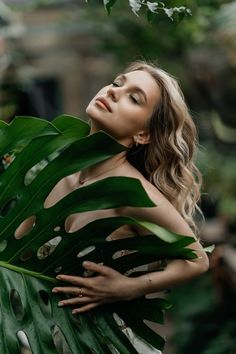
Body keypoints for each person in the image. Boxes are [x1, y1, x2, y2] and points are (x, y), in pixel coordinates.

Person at [48, 61, 209, 353]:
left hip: (107, 343)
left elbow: (197, 260)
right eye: (117, 83)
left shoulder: (132, 193)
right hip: (48, 337)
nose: (113, 92)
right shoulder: (60, 171)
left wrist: (130, 287)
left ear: (143, 135)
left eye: (134, 98)